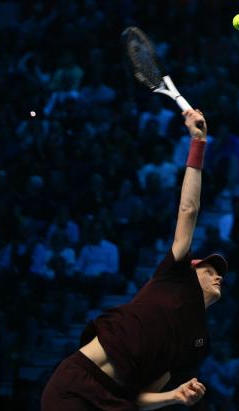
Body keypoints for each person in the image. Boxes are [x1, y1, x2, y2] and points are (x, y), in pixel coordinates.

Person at [42, 109, 229, 410]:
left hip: (117, 403)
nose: (218, 275)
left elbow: (139, 397)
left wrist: (175, 396)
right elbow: (188, 210)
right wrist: (198, 142)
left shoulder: (197, 343)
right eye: (209, 269)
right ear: (191, 271)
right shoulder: (173, 276)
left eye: (219, 273)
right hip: (77, 385)